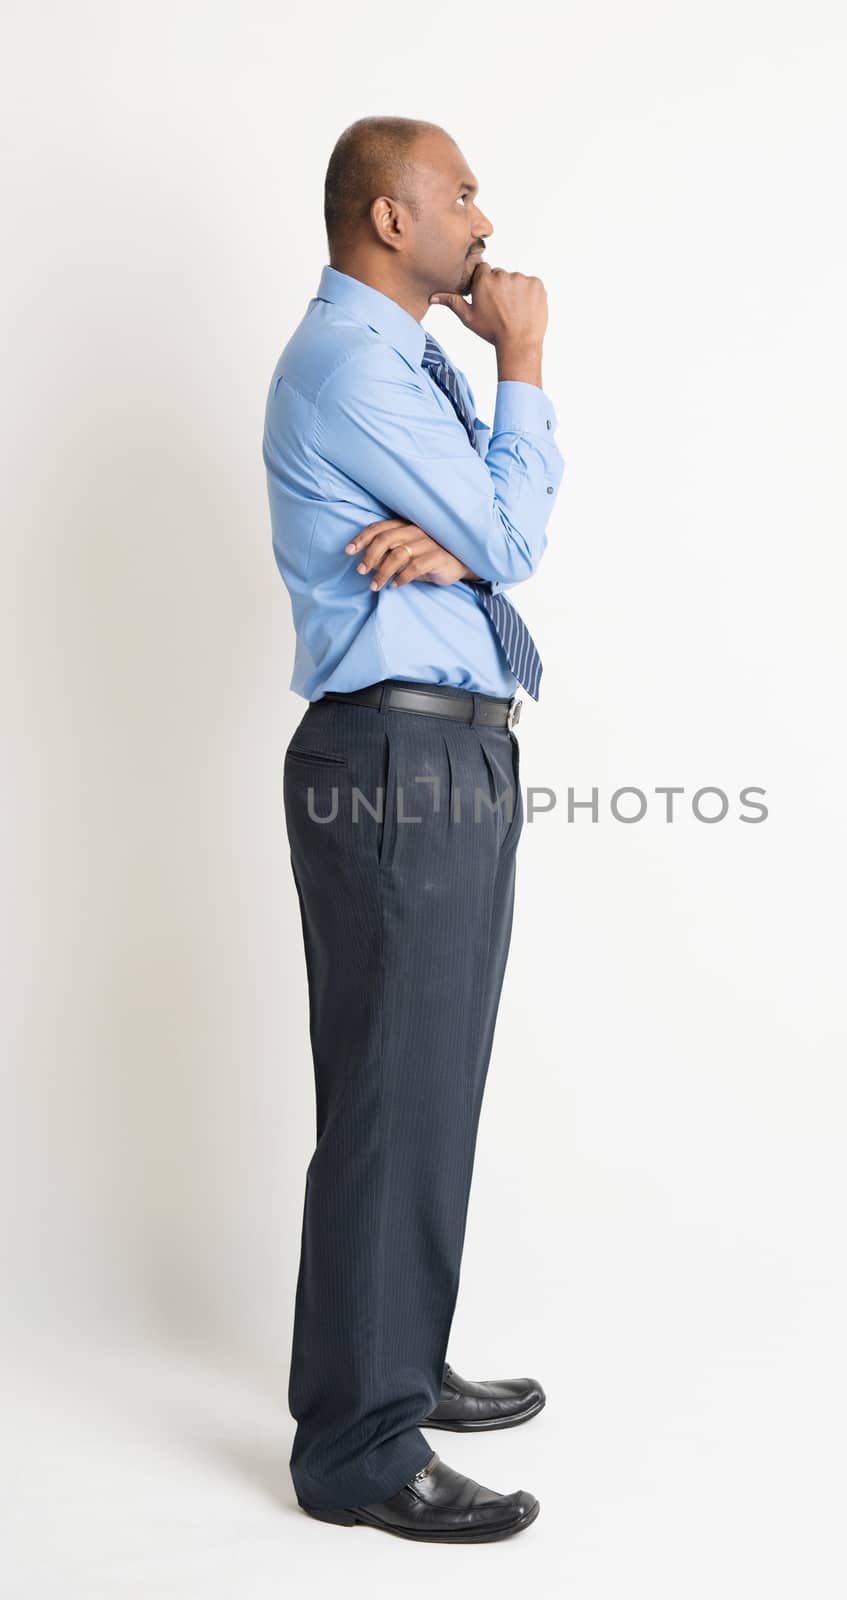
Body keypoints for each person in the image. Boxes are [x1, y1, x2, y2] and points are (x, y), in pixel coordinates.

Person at [261, 114, 565, 1544]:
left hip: (444, 752)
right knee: (394, 1089)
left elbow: (492, 544)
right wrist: (528, 366)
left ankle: (395, 1358)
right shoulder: (352, 365)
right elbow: (515, 542)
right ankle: (358, 1452)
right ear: (391, 219)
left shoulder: (401, 367)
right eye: (459, 196)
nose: (482, 221)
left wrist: (453, 538)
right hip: (394, 756)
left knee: (428, 1080)